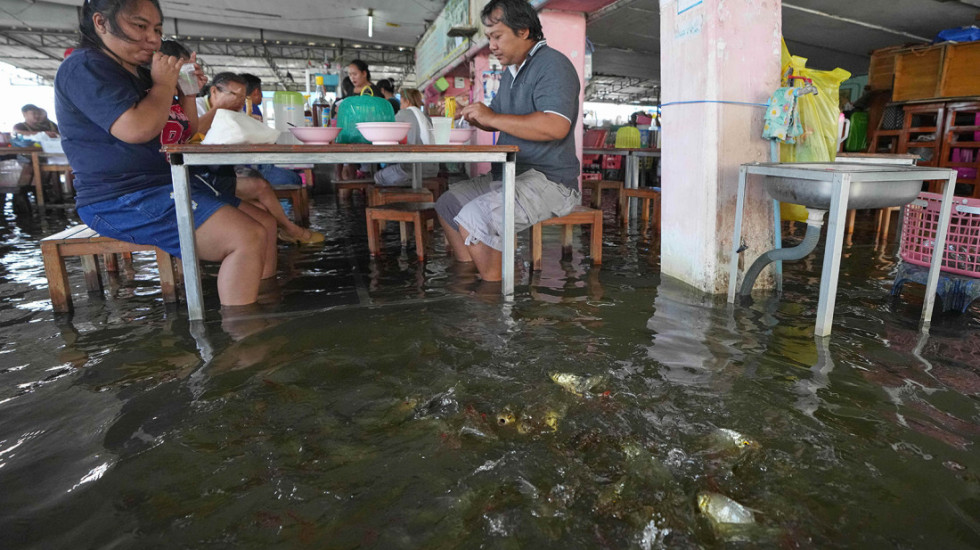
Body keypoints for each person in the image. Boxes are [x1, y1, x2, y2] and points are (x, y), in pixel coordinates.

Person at [55, 0, 277, 307]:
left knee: (264, 223)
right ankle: (244, 338)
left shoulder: (138, 72)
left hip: (164, 185)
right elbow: (135, 129)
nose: (154, 39)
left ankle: (261, 300)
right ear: (101, 23)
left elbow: (183, 133)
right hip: (122, 197)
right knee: (245, 237)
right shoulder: (85, 66)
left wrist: (185, 91)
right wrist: (163, 84)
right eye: (140, 26)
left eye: (157, 29)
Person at [434, 0, 581, 282]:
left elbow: (555, 126)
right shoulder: (510, 73)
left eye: (497, 36)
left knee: (477, 216)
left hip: (549, 181)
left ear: (524, 30)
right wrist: (476, 115)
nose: (492, 45)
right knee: (448, 204)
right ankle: (472, 276)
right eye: (489, 37)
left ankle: (494, 302)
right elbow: (499, 117)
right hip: (511, 174)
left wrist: (491, 118)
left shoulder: (553, 65)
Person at [194, 72, 323, 244]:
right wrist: (219, 110)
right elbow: (192, 131)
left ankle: (272, 247)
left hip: (222, 174)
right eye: (233, 95)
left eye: (242, 96)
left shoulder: (235, 112)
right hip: (199, 177)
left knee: (263, 209)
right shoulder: (198, 107)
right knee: (261, 187)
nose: (239, 101)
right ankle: (291, 230)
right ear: (214, 92)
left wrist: (251, 127)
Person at [374, 88, 438, 187]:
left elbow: (387, 132)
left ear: (407, 102)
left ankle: (397, 201)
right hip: (432, 169)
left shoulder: (403, 114)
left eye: (401, 103)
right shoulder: (426, 116)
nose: (400, 106)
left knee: (378, 177)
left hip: (411, 170)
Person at [12, 104, 63, 203]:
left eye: (37, 113)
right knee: (28, 166)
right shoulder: (20, 126)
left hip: (49, 155)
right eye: (33, 113)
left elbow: (60, 134)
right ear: (25, 114)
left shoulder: (50, 125)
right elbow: (17, 132)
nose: (36, 116)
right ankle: (22, 192)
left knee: (47, 167)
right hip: (26, 156)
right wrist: (42, 134)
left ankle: (45, 192)